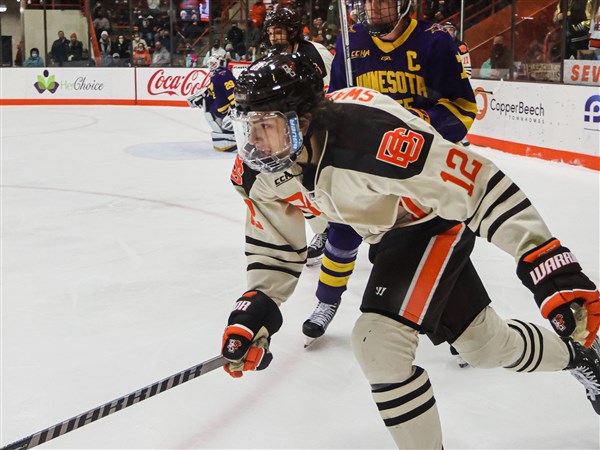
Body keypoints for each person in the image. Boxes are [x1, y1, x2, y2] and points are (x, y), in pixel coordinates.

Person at [220, 52, 600, 449]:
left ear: (303, 120)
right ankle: (583, 354)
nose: (254, 144)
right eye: (248, 127)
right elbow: (275, 248)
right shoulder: (260, 170)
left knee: (377, 344)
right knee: (486, 346)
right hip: (388, 235)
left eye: (265, 127)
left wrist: (546, 262)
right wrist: (258, 305)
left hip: (432, 222)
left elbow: (477, 186)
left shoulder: (372, 136)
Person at [304, 0, 477, 345]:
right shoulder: (350, 42)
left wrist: (421, 123)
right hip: (366, 156)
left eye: (382, 3)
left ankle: (458, 321)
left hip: (418, 160)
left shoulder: (435, 41)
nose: (374, 10)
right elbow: (334, 99)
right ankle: (326, 302)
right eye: (369, 3)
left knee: (434, 239)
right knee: (343, 225)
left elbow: (463, 107)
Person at [262, 6, 334, 267]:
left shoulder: (313, 53)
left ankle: (333, 230)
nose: (273, 37)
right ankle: (324, 230)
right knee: (293, 183)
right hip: (287, 129)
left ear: (292, 31)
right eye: (270, 32)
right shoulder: (272, 54)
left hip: (315, 126)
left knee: (317, 182)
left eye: (278, 32)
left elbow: (328, 87)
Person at [186, 56, 237, 152]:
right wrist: (205, 95)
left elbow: (230, 90)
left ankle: (233, 135)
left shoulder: (223, 74)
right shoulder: (216, 74)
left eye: (214, 63)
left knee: (220, 120)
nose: (211, 66)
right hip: (220, 107)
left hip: (225, 108)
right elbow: (215, 88)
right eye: (210, 64)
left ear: (220, 62)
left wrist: (234, 106)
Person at [442, 21, 471, 147]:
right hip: (442, 82)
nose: (449, 32)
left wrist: (464, 83)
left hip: (456, 83)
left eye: (451, 30)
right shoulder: (438, 44)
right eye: (446, 29)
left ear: (455, 32)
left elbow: (467, 66)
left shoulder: (461, 46)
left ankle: (462, 135)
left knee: (459, 109)